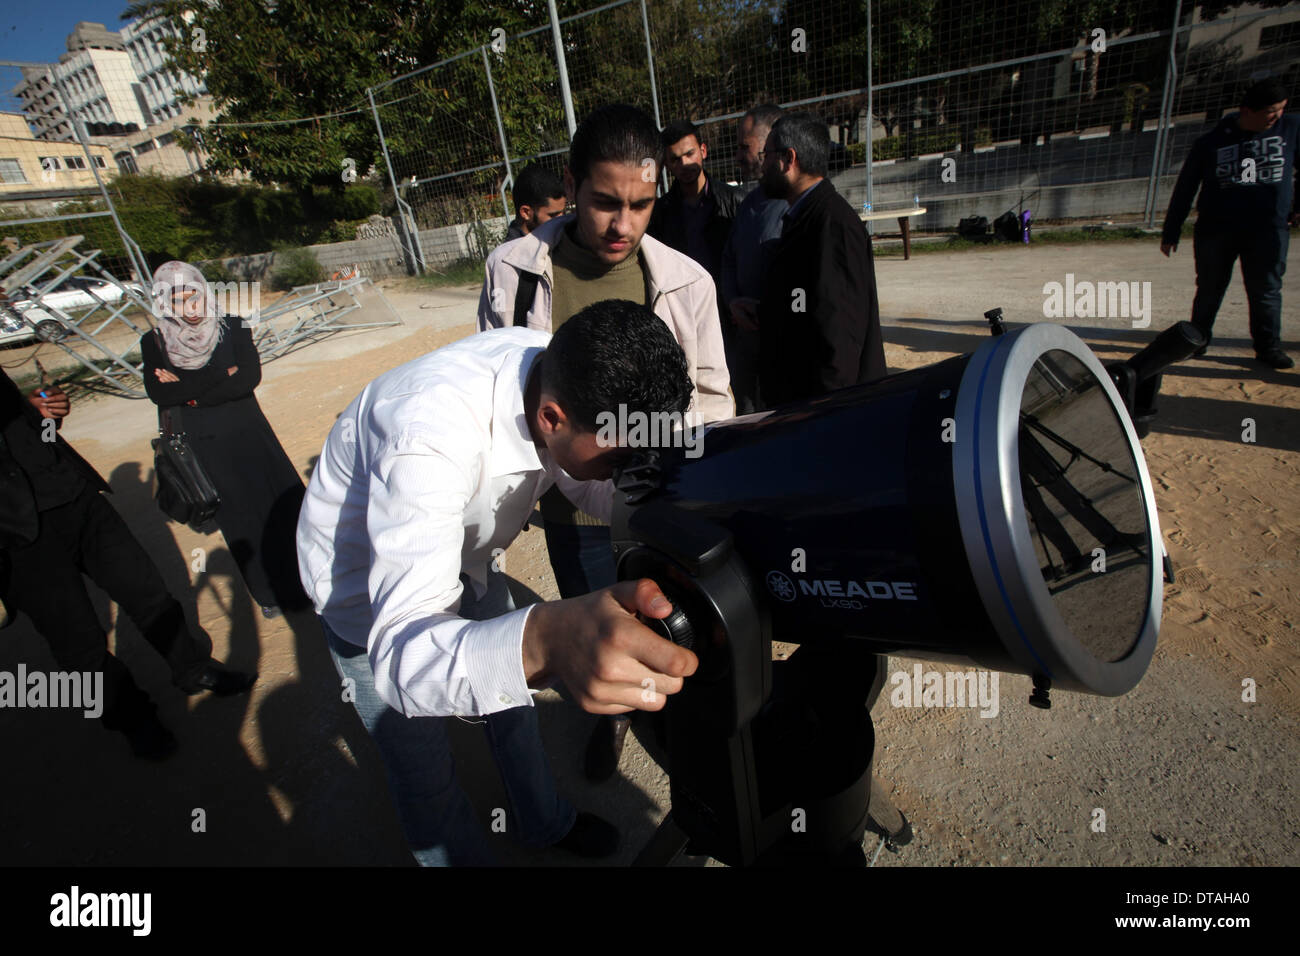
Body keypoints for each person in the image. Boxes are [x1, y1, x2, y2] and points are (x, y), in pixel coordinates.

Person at [297, 300, 700, 865]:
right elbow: (403, 658)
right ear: (552, 419)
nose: (632, 464)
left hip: (471, 560)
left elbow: (584, 478)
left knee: (512, 708)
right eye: (620, 457)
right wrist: (545, 640)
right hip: (369, 601)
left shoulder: (555, 372)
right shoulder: (426, 437)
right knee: (424, 770)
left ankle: (544, 823)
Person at [478, 103, 733, 783]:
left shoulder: (687, 281)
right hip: (569, 514)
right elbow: (497, 370)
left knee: (668, 621)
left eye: (642, 205)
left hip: (660, 504)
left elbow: (714, 399)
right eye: (605, 203)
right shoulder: (512, 269)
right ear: (571, 182)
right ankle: (609, 724)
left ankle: (669, 726)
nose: (623, 225)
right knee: (595, 619)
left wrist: (655, 457)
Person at [0, 368, 255, 760]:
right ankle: (132, 718)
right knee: (78, 644)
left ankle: (191, 667)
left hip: (75, 497)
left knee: (148, 592)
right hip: (16, 536)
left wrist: (41, 412)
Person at [140, 261, 309, 619]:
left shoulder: (233, 325)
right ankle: (267, 593)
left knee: (283, 505)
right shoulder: (155, 341)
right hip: (206, 443)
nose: (191, 305)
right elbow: (159, 394)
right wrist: (219, 375)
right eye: (179, 299)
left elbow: (248, 378)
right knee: (240, 518)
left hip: (251, 434)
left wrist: (188, 392)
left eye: (194, 295)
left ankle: (309, 579)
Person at [1160, 77, 1299, 370]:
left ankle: (1268, 347)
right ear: (1247, 111)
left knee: (1266, 290)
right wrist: (1172, 230)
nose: (1277, 117)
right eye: (1272, 111)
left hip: (1267, 229)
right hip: (1216, 230)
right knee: (1209, 287)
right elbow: (1186, 186)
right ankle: (1197, 341)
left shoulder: (1290, 129)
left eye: (1282, 109)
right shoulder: (1211, 142)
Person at [756, 111, 887, 406]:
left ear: (789, 159)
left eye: (766, 156)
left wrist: (826, 415)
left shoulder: (832, 224)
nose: (761, 165)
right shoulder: (808, 214)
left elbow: (839, 334)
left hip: (824, 408)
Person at [722, 103, 788, 413]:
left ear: (769, 143)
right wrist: (734, 300)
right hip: (747, 349)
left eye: (744, 147)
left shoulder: (800, 205)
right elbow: (729, 259)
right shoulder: (748, 204)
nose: (737, 156)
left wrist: (770, 309)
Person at [647, 119, 743, 289]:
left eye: (690, 154)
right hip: (686, 300)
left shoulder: (734, 200)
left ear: (703, 151)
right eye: (675, 159)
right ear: (667, 165)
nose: (684, 164)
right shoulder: (660, 213)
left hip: (728, 299)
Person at [505, 164, 569, 242]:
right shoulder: (514, 252)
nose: (561, 221)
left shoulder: (558, 239)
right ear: (526, 212)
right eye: (553, 216)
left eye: (564, 212)